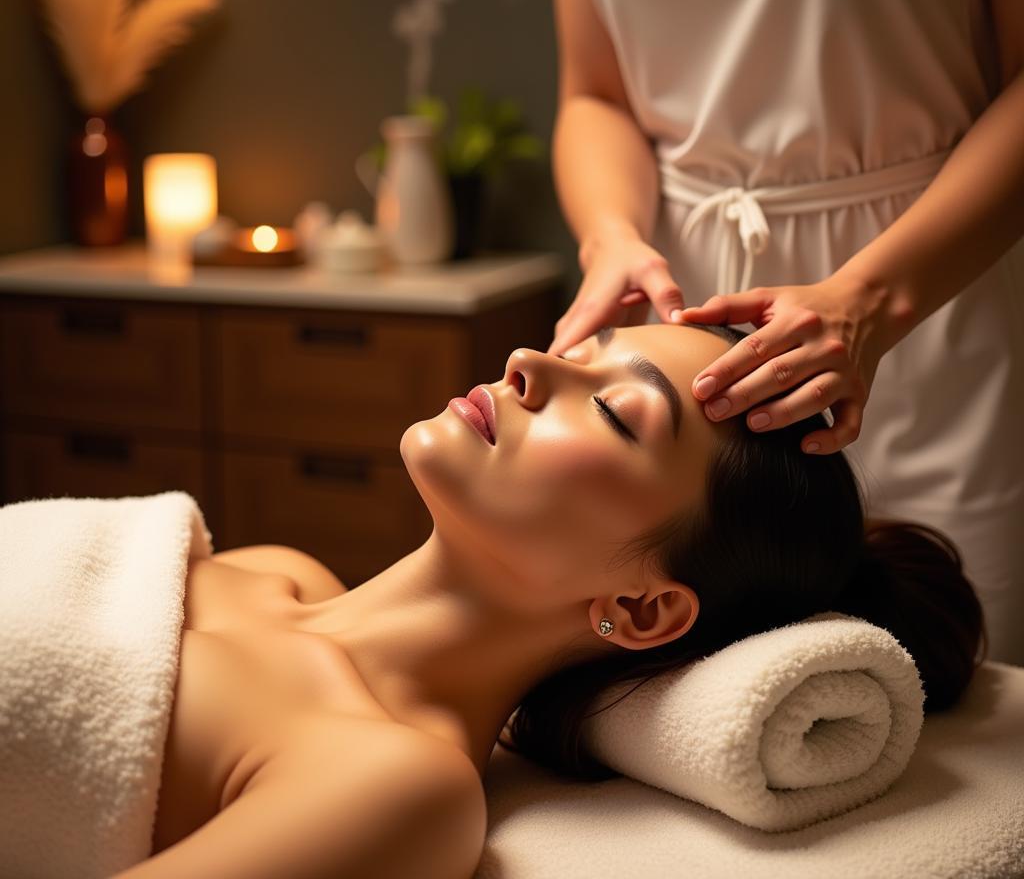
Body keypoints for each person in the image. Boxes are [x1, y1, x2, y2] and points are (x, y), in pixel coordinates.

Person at [120, 322, 984, 878]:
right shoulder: (280, 568)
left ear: (644, 609)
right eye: (577, 352)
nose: (527, 363)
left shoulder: (398, 784)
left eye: (612, 410)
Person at [539, 0, 1024, 665]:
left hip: (923, 291)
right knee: (703, 683)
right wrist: (611, 235)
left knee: (962, 683)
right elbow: (596, 95)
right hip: (690, 320)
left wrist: (868, 301)